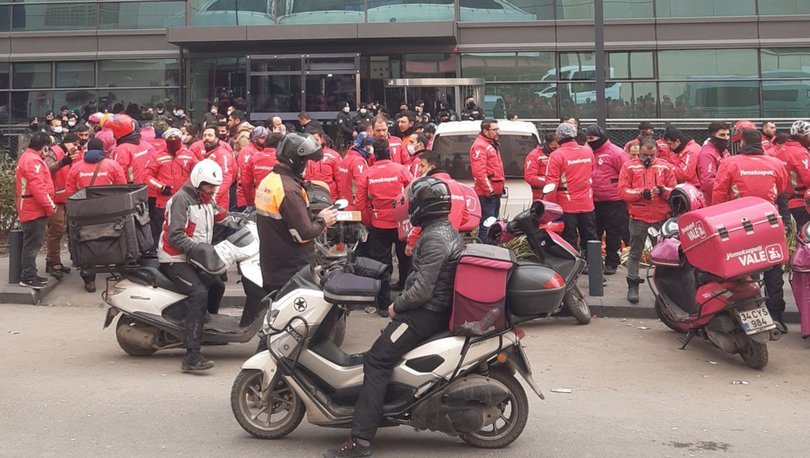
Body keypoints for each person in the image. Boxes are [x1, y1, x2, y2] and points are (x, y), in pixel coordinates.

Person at [323, 177, 463, 458]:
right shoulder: (442, 230)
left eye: (416, 203)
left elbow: (423, 290)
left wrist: (396, 306)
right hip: (431, 310)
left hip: (425, 314)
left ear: (426, 207)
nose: (412, 208)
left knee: (376, 360)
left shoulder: (435, 238)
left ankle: (361, 441)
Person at [159, 160, 244, 372]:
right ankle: (191, 355)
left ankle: (207, 332)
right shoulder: (182, 200)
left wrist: (245, 221)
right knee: (198, 294)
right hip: (175, 258)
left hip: (194, 257)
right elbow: (175, 235)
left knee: (217, 285)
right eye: (209, 186)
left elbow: (222, 215)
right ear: (198, 182)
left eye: (214, 187)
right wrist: (198, 250)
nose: (213, 190)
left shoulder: (205, 198)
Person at [712, 129, 791, 333]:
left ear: (742, 143)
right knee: (773, 269)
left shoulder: (730, 163)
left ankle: (746, 313)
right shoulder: (775, 163)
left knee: (742, 266)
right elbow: (783, 190)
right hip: (769, 221)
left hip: (738, 223)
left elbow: (719, 194)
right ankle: (776, 318)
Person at [254, 133, 338, 293]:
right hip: (291, 270)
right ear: (297, 160)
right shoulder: (289, 190)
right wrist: (323, 220)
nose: (307, 165)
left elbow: (285, 221)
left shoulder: (270, 180)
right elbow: (304, 233)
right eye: (306, 160)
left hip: (272, 265)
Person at [617, 138, 676, 304]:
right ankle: (633, 285)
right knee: (635, 252)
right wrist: (640, 193)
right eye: (645, 154)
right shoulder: (629, 166)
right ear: (639, 152)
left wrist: (664, 191)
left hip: (660, 216)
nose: (648, 158)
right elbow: (622, 191)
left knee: (664, 255)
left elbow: (674, 190)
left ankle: (665, 288)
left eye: (652, 154)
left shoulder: (664, 166)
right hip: (638, 216)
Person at [65, 138, 128, 292]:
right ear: (102, 150)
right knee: (113, 237)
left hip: (85, 213)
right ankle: (118, 269)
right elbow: (122, 187)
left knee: (86, 242)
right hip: (109, 211)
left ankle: (89, 278)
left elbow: (70, 191)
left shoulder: (76, 167)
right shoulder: (112, 165)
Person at [355, 138, 414, 301]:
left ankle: (383, 301)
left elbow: (360, 202)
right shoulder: (402, 170)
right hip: (401, 223)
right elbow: (414, 192)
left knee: (381, 262)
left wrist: (369, 221)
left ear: (374, 154)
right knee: (406, 258)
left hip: (378, 224)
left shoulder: (367, 173)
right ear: (390, 152)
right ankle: (405, 292)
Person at [545, 122, 597, 253]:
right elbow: (593, 171)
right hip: (587, 202)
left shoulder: (556, 155)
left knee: (569, 237)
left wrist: (549, 206)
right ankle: (594, 264)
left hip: (566, 203)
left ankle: (573, 265)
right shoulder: (588, 151)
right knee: (590, 235)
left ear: (558, 137)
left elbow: (551, 184)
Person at [405, 152, 470, 255]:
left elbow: (422, 217)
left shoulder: (430, 187)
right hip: (453, 242)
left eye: (422, 166)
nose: (420, 170)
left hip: (430, 242)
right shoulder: (459, 187)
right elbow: (466, 217)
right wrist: (453, 223)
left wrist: (411, 242)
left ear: (432, 167)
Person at [586, 125, 630, 275]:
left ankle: (612, 263)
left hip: (614, 201)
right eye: (587, 139)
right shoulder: (588, 152)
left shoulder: (616, 153)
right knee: (594, 233)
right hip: (594, 200)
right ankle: (594, 262)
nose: (589, 141)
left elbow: (627, 174)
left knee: (613, 233)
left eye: (591, 139)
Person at [144, 128, 198, 248]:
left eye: (176, 138)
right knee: (161, 228)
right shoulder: (156, 156)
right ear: (165, 140)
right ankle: (158, 252)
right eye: (170, 139)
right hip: (163, 201)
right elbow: (147, 176)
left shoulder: (189, 155)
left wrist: (189, 189)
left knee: (184, 227)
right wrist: (161, 187)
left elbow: (196, 175)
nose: (173, 141)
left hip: (185, 200)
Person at [15, 132, 57, 289]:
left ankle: (30, 274)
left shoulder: (30, 158)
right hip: (33, 209)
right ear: (44, 147)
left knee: (32, 243)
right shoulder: (33, 161)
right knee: (32, 244)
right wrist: (50, 206)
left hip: (31, 207)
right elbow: (38, 187)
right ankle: (28, 277)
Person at [42, 132, 81, 279]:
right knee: (56, 231)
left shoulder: (69, 154)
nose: (77, 147)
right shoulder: (55, 152)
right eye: (75, 144)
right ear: (68, 142)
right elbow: (47, 169)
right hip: (55, 199)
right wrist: (62, 162)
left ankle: (53, 260)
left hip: (64, 198)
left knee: (59, 231)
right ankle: (53, 262)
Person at [469, 119, 505, 240]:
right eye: (494, 130)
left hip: (494, 191)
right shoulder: (480, 146)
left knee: (492, 224)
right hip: (487, 194)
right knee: (487, 224)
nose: (498, 132)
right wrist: (489, 190)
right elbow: (479, 172)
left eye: (497, 129)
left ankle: (491, 249)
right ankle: (485, 249)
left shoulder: (490, 144)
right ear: (485, 131)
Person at [779, 120, 810, 229]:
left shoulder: (778, 150)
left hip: (783, 203)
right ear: (804, 136)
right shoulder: (800, 152)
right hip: (801, 203)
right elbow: (808, 179)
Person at [198, 126, 236, 210]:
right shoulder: (207, 155)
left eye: (210, 135)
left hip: (217, 204)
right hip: (206, 202)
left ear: (217, 138)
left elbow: (226, 178)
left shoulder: (222, 155)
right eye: (204, 135)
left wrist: (214, 197)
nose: (206, 138)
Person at [242, 132, 282, 208]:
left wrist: (251, 202)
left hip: (260, 201)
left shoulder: (254, 158)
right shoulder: (282, 160)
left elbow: (246, 182)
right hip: (279, 201)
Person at [695, 121, 730, 206]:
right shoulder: (707, 154)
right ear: (713, 136)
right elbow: (708, 182)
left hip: (726, 199)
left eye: (727, 134)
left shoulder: (723, 150)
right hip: (714, 202)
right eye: (722, 135)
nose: (726, 138)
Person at [303, 125, 341, 201]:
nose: (313, 143)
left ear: (321, 139)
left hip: (330, 199)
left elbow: (341, 181)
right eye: (310, 140)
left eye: (316, 140)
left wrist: (341, 199)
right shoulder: (301, 157)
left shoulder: (333, 156)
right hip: (307, 198)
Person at [338, 133, 374, 208]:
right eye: (370, 145)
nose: (371, 148)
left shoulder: (347, 157)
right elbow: (362, 186)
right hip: (355, 205)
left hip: (345, 202)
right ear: (364, 147)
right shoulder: (358, 162)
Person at [235, 126, 267, 210]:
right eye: (262, 138)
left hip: (258, 197)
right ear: (255, 139)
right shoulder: (247, 152)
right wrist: (251, 202)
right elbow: (245, 179)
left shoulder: (261, 150)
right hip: (245, 199)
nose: (265, 140)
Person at [524, 132, 558, 201]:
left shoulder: (558, 155)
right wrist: (550, 181)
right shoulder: (534, 155)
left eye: (558, 147)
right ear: (546, 144)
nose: (556, 150)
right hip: (540, 196)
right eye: (554, 148)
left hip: (557, 196)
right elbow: (530, 177)